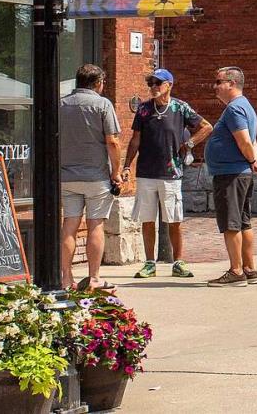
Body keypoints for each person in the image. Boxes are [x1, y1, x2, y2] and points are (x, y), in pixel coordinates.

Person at [123, 69, 211, 279]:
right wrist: (126, 166)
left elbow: (207, 127)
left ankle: (178, 262)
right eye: (151, 83)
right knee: (147, 219)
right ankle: (149, 263)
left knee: (174, 219)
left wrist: (190, 143)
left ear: (169, 85)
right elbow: (135, 139)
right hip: (146, 172)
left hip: (171, 173)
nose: (153, 87)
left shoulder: (180, 108)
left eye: (158, 83)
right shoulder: (144, 109)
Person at [59, 64, 123, 291]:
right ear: (98, 83)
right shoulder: (103, 105)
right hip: (96, 176)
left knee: (69, 225)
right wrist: (116, 172)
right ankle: (94, 278)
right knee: (96, 225)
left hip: (67, 176)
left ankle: (66, 278)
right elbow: (113, 142)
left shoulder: (61, 104)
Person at [205, 66, 257, 287]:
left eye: (218, 82)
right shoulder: (245, 106)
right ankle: (249, 269)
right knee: (243, 222)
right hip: (239, 173)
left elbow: (244, 140)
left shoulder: (234, 109)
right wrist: (255, 161)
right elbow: (252, 141)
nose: (215, 86)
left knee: (231, 224)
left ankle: (236, 272)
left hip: (230, 174)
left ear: (231, 83)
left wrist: (252, 161)